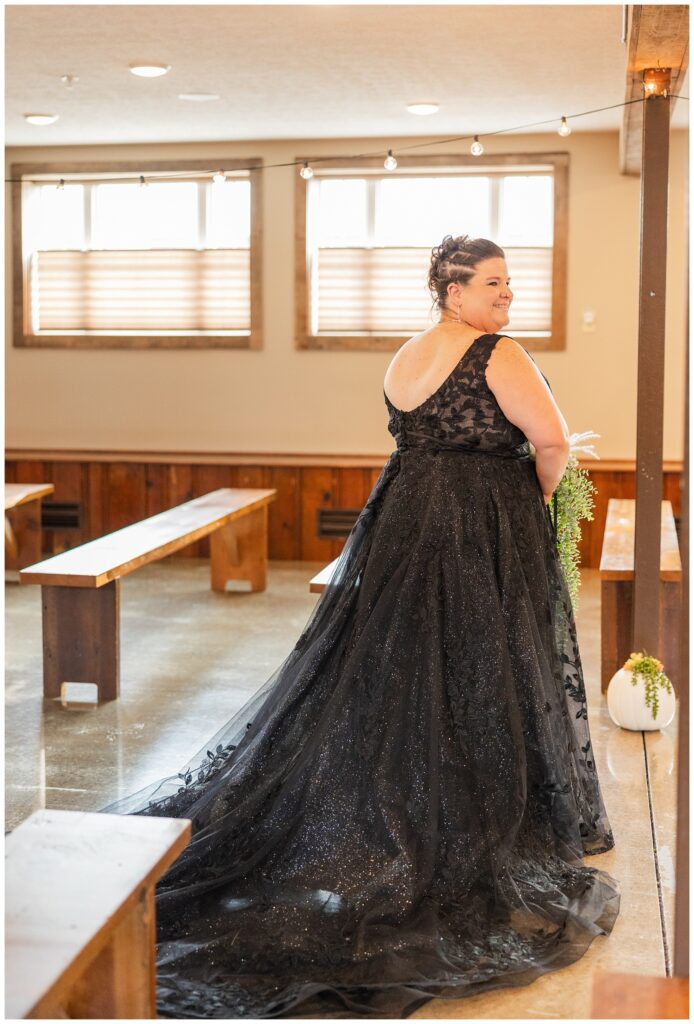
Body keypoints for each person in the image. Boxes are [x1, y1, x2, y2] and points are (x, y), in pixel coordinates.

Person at [103, 234, 620, 1019]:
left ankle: (405, 794)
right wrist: (544, 508)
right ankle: (459, 810)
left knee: (404, 667)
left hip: (406, 523)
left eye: (509, 284)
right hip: (476, 530)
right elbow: (550, 443)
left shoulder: (405, 355)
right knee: (476, 667)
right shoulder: (496, 352)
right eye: (492, 284)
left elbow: (419, 441)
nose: (507, 296)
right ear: (452, 292)